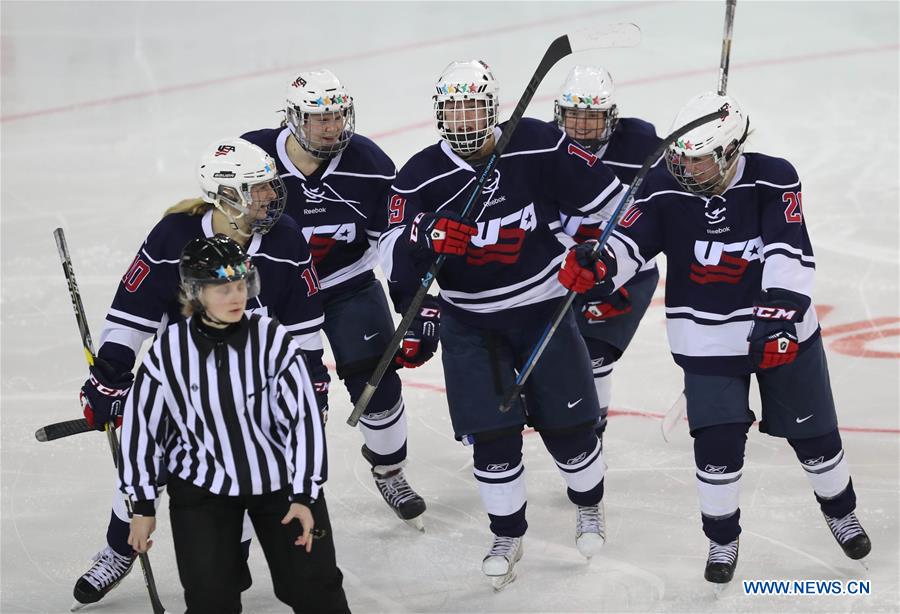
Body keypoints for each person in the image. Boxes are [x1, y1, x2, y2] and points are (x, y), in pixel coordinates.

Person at [557, 91, 872, 585]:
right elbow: (629, 244)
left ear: (730, 153)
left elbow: (788, 250)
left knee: (815, 436)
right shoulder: (663, 185)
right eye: (680, 158)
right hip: (705, 340)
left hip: (781, 330)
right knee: (717, 446)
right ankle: (722, 540)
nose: (685, 170)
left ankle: (840, 509)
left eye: (698, 162)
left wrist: (779, 316)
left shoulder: (773, 176)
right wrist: (597, 267)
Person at [378, 59, 628, 589]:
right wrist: (425, 241)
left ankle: (588, 506)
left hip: (544, 311)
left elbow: (614, 209)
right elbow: (390, 248)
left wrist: (594, 254)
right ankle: (507, 533)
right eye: (453, 108)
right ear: (439, 113)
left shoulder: (540, 143)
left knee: (570, 431)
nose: (464, 118)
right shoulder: (418, 174)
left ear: (492, 108)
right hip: (470, 324)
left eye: (472, 106)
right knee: (492, 437)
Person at [72, 138, 328, 607]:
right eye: (257, 188)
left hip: (257, 386)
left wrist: (312, 387)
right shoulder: (173, 236)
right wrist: (109, 376)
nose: (270, 195)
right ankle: (118, 549)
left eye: (270, 184)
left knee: (251, 473)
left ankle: (231, 562)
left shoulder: (287, 238)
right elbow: (131, 315)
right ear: (225, 193)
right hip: (187, 382)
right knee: (147, 459)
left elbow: (303, 328)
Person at [119, 235, 349, 613]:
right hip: (202, 488)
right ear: (196, 292)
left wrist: (305, 495)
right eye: (224, 289)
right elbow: (143, 430)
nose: (237, 297)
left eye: (241, 286)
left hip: (281, 486)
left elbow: (303, 420)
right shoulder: (168, 352)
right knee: (210, 600)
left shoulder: (272, 339)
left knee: (315, 588)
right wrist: (142, 506)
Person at [242, 69, 426, 530]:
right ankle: (282, 485)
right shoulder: (255, 155)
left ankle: (390, 470)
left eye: (338, 115)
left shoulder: (368, 162)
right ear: (292, 119)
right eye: (319, 117)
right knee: (274, 394)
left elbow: (391, 240)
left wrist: (411, 302)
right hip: (278, 294)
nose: (332, 126)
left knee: (377, 382)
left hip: (347, 283)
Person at [550, 65, 663, 449]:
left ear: (611, 117)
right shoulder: (544, 147)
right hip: (563, 266)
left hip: (627, 271)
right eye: (574, 115)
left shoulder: (641, 146)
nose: (581, 126)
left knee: (595, 358)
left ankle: (591, 435)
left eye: (592, 116)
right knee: (555, 357)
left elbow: (678, 192)